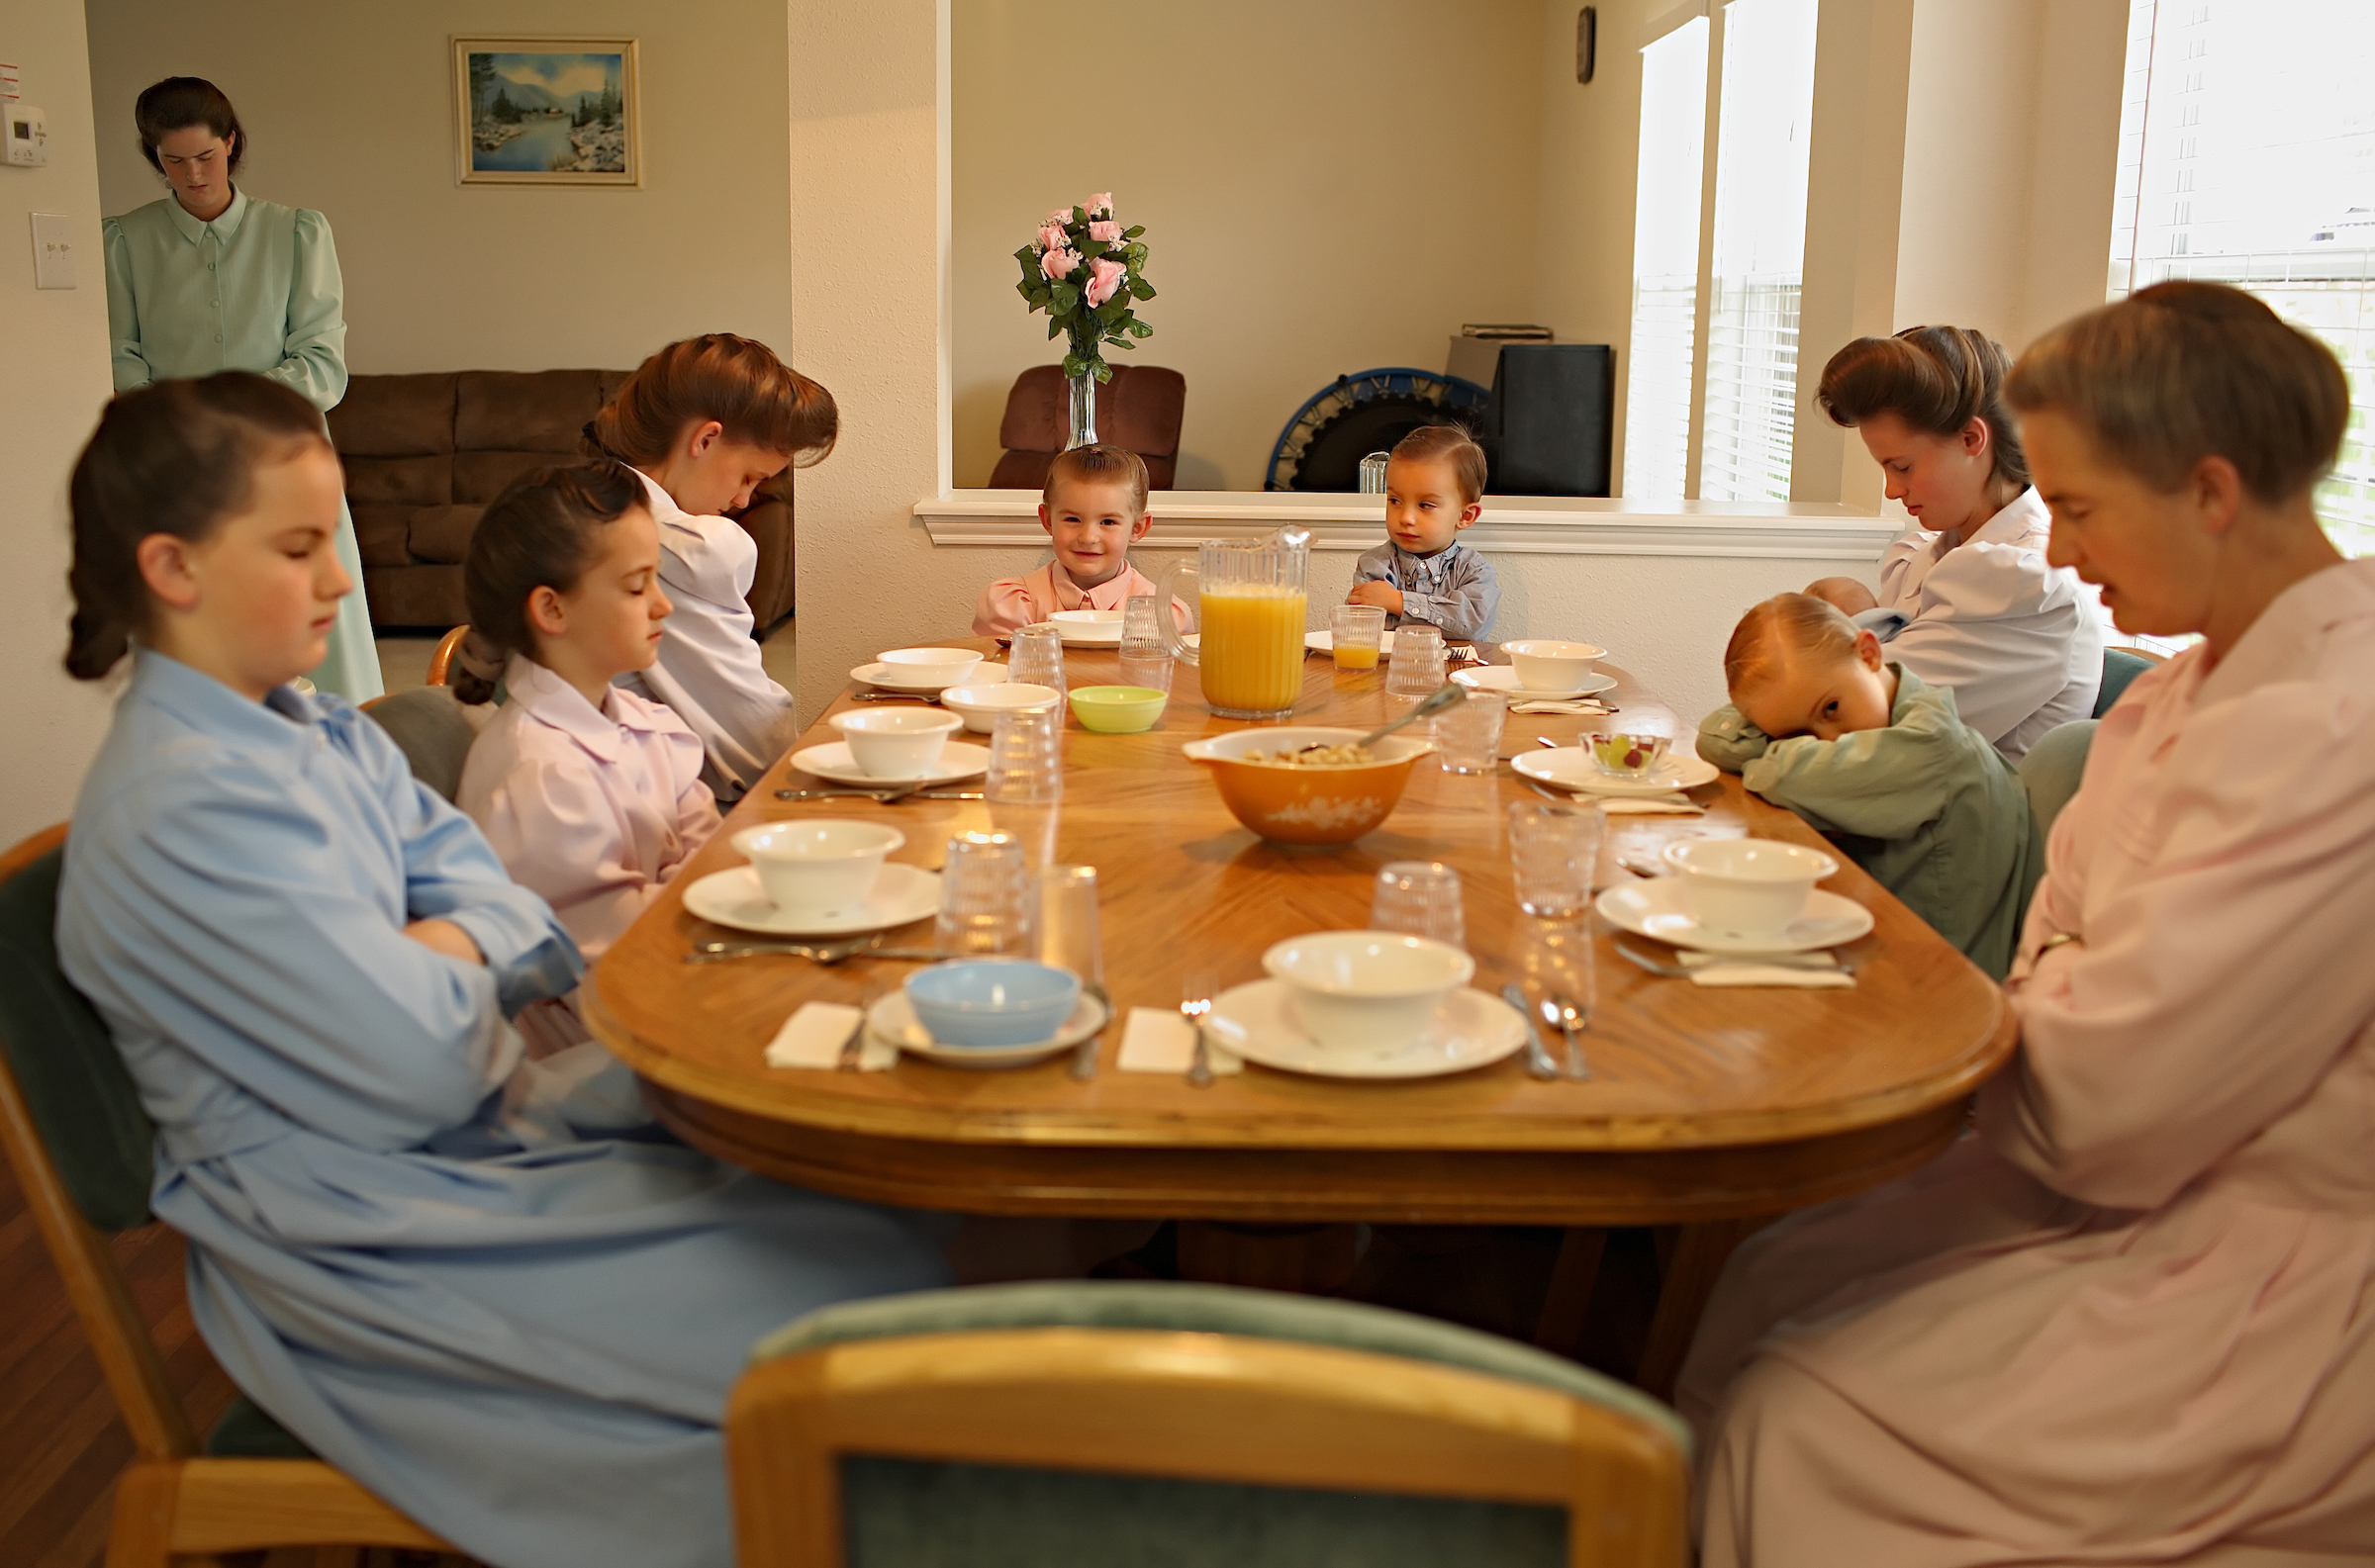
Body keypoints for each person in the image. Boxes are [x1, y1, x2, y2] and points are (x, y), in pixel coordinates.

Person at [53, 373, 951, 1568]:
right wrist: (452, 949)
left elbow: (504, 915)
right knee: (852, 1326)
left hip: (471, 1134)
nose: (340, 578)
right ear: (173, 568)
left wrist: (430, 949)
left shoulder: (311, 730)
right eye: (300, 546)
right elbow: (422, 1060)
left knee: (893, 1228)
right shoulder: (185, 807)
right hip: (365, 1238)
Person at [1680, 284, 2375, 1565]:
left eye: (2085, 508)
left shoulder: (2332, 725)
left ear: (2212, 492)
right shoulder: (2192, 694)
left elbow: (2110, 1105)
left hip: (2270, 1250)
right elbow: (2064, 958)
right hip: (2097, 1141)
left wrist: (2051, 999)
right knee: (1763, 1278)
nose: (2058, 551)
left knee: (1798, 1419)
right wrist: (2060, 994)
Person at [101, 75, 380, 704]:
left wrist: (227, 414)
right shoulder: (122, 241)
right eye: (175, 161)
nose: (194, 175)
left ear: (231, 144)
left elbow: (322, 364)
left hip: (285, 458)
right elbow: (122, 358)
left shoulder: (296, 232)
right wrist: (180, 429)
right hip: (179, 465)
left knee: (316, 630)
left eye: (206, 156)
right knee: (197, 629)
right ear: (156, 159)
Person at [454, 460, 716, 964]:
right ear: (552, 609)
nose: (663, 605)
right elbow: (628, 955)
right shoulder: (542, 776)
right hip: (596, 1028)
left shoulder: (645, 722)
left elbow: (712, 857)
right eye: (638, 586)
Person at [1696, 594, 2036, 978]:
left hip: (1946, 985)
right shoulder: (1873, 710)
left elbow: (1778, 775)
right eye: (1795, 735)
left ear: (1870, 653)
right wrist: (1787, 728)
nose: (1827, 742)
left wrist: (1777, 756)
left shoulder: (1932, 746)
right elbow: (1714, 737)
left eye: (1830, 709)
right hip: (1885, 948)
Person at [1814, 326, 2102, 759]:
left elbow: (1859, 722)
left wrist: (1841, 621)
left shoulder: (2028, 583)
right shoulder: (1936, 554)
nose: (1892, 489)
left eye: (1903, 466)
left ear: (1972, 438)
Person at [585, 333, 834, 803]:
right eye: (749, 477)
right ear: (705, 439)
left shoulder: (588, 498)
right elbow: (756, 749)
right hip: (638, 807)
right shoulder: (682, 546)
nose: (742, 500)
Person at [973, 443, 1178, 633]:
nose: (1088, 538)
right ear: (1048, 520)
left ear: (1137, 528)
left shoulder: (1162, 615)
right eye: (1072, 519)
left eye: (1107, 522)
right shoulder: (1013, 606)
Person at [1347, 424, 1500, 641]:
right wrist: (1443, 617)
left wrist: (1399, 603)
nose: (1406, 518)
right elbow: (1364, 627)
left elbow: (1471, 624)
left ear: (1465, 516)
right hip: (1386, 673)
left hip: (1456, 673)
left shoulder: (1475, 571)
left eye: (1425, 505)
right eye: (1395, 500)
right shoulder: (1375, 564)